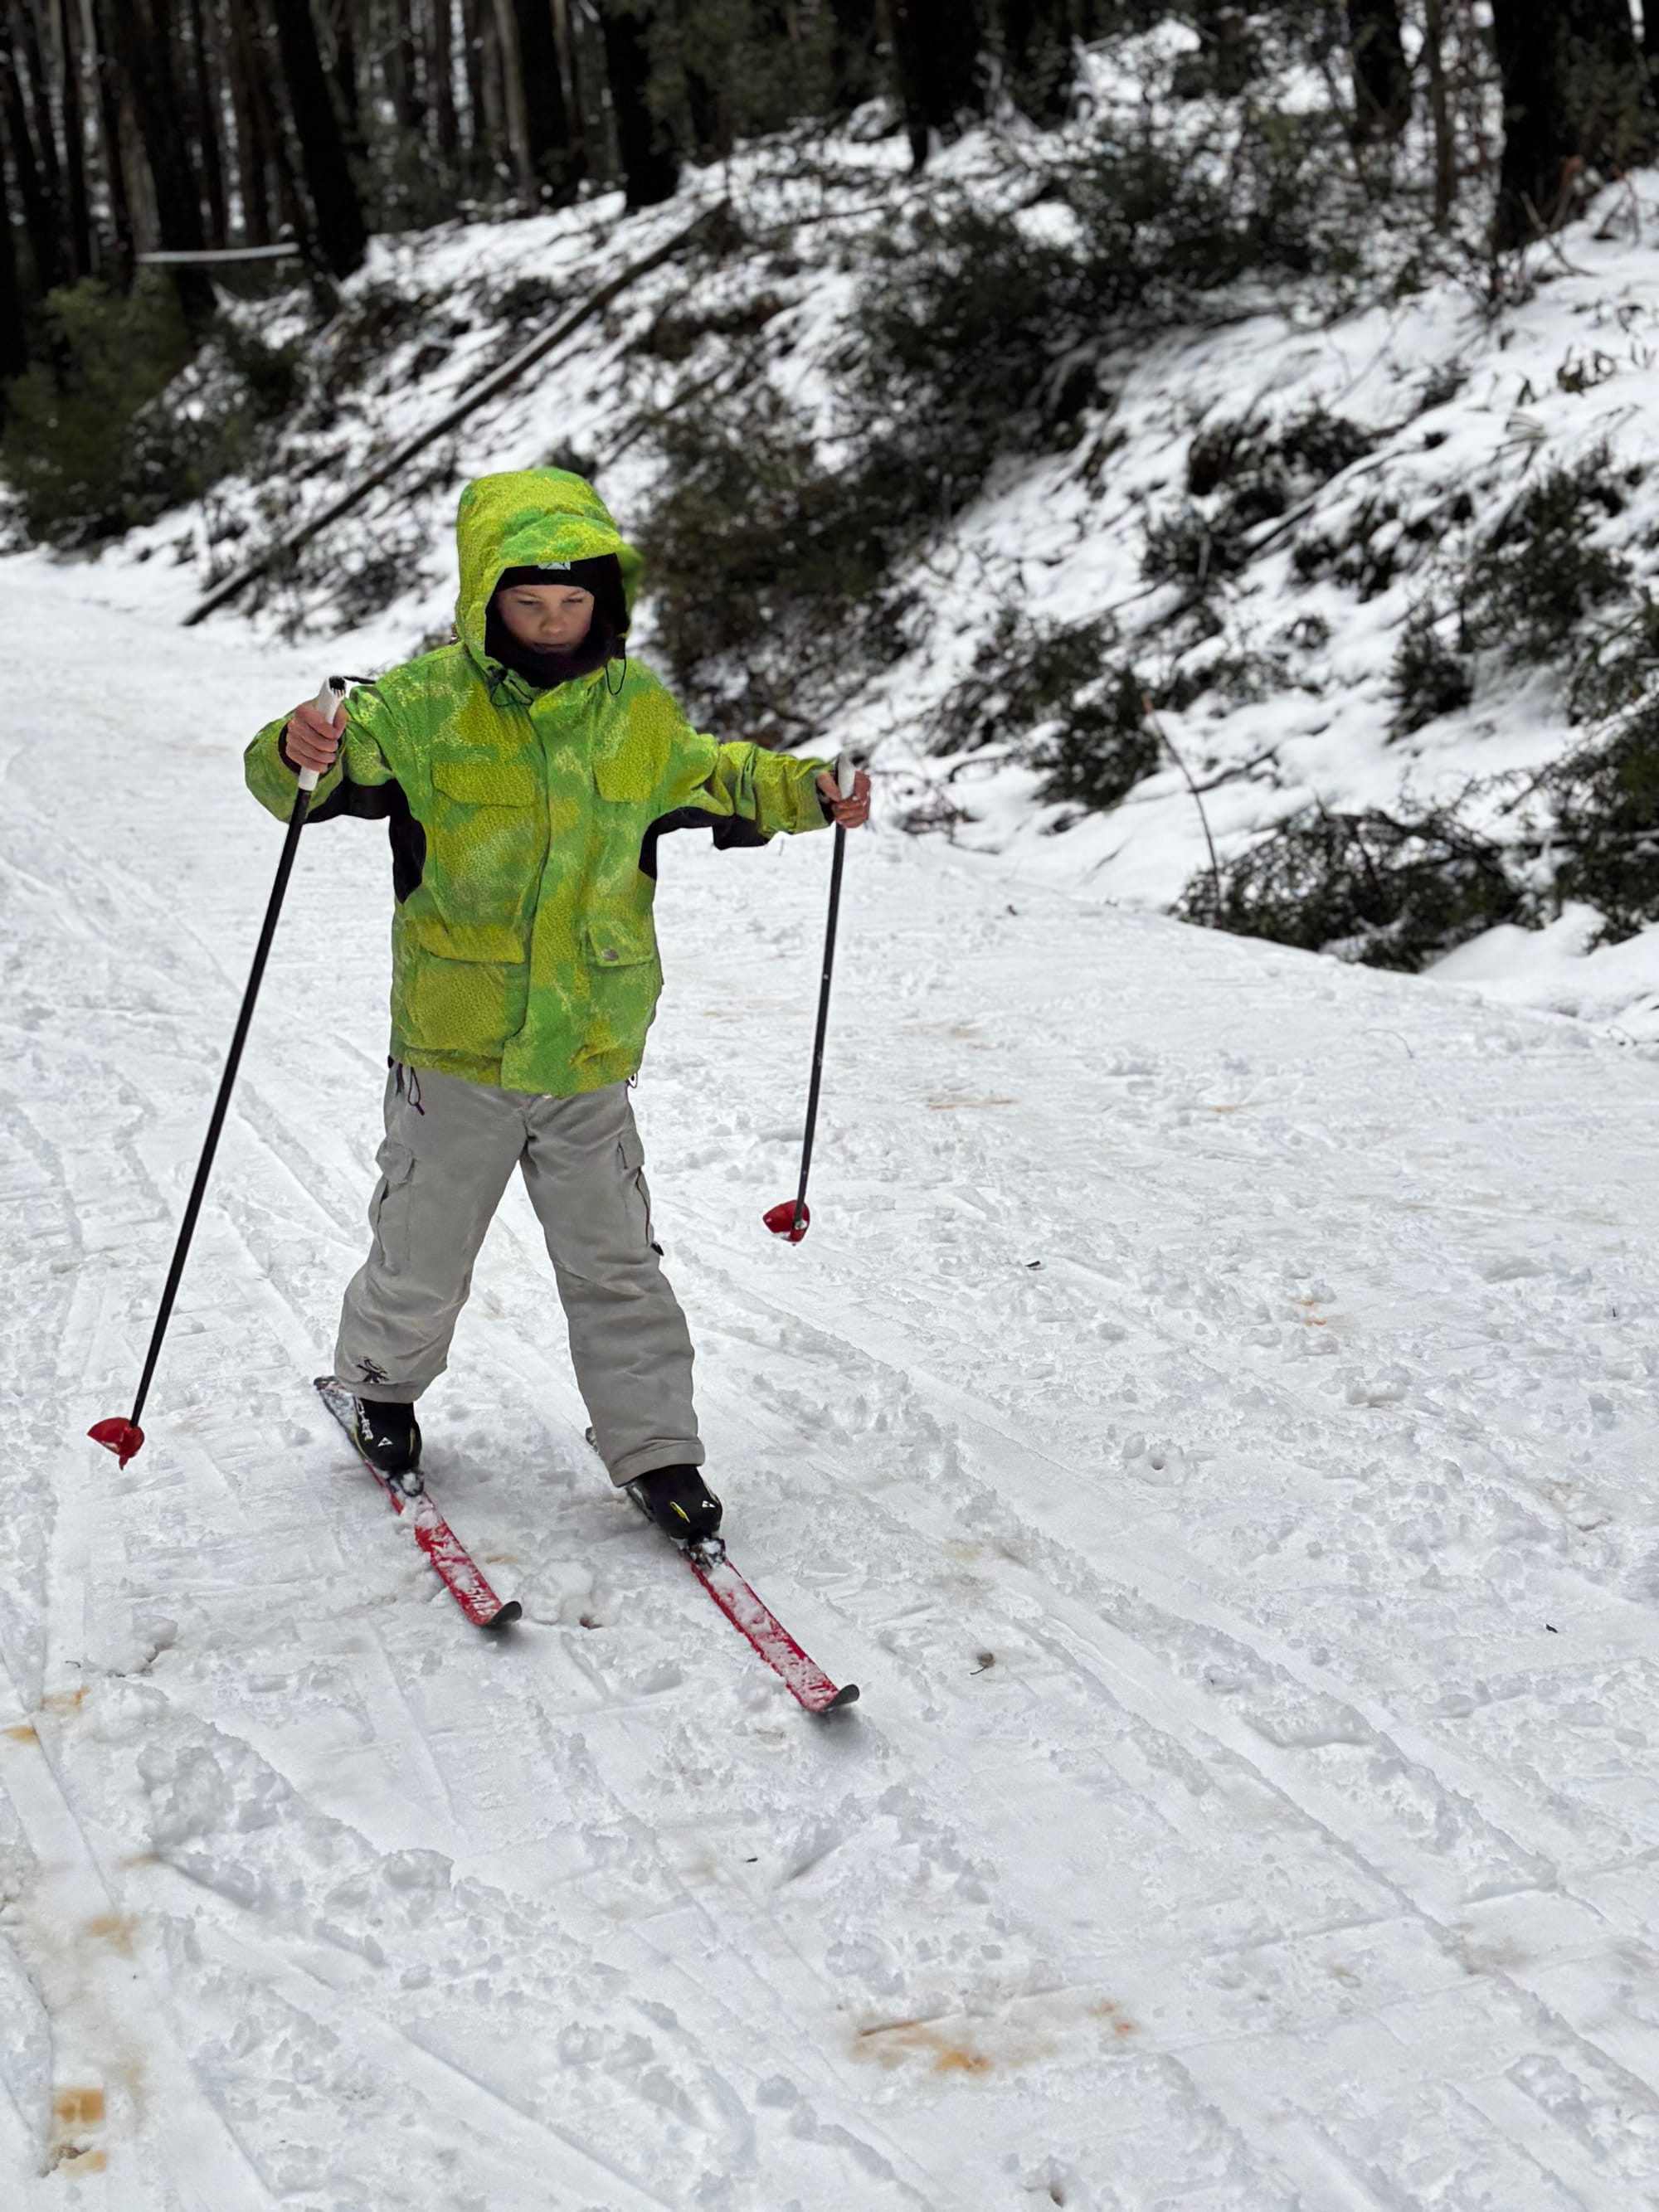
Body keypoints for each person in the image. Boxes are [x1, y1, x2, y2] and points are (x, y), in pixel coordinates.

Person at [245, 468, 870, 1543]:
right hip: (457, 1049)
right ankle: (376, 1387)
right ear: (486, 597)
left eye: (572, 601)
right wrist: (296, 745)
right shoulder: (423, 705)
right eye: (528, 602)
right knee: (423, 1251)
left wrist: (810, 790)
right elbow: (307, 773)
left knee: (618, 1266)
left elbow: (723, 776)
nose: (550, 622)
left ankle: (657, 1447)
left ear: (605, 601)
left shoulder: (636, 712)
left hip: (588, 1050)